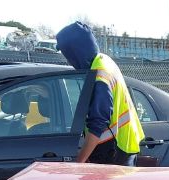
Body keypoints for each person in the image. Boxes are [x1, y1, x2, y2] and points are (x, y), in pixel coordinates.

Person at [55, 22, 144, 166]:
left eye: (68, 55)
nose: (68, 60)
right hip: (123, 146)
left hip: (115, 152)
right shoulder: (103, 60)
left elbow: (98, 125)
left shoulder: (100, 75)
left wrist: (79, 162)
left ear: (75, 52)